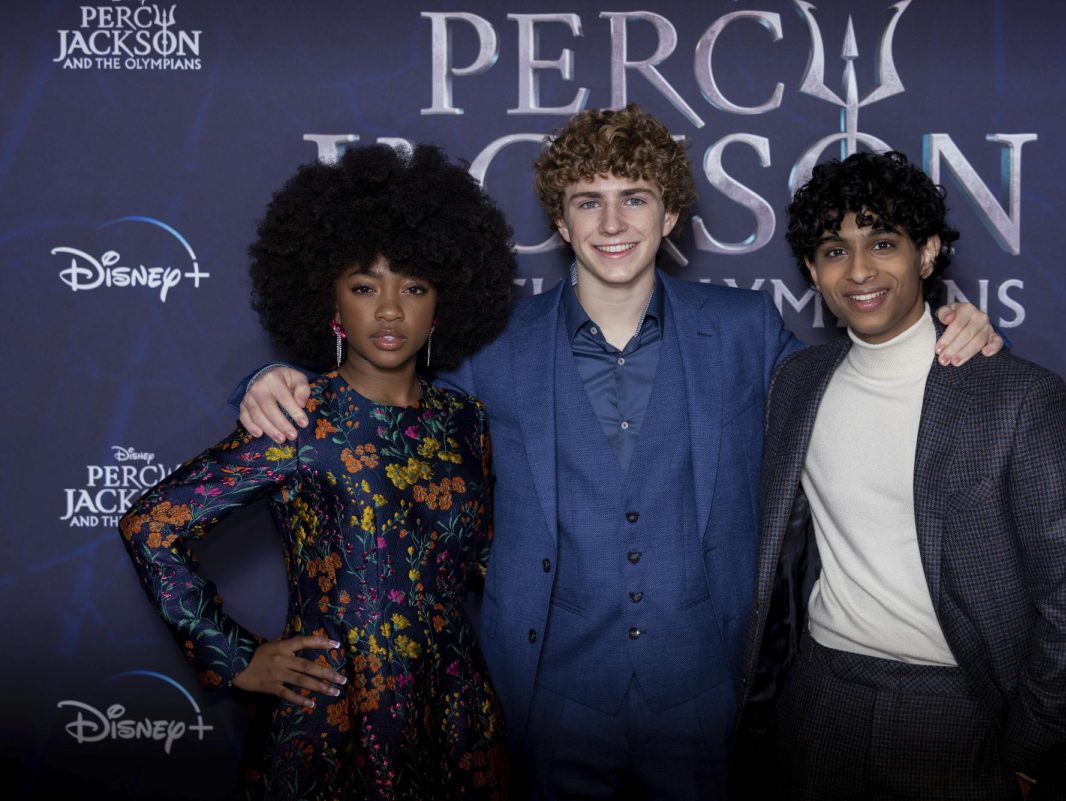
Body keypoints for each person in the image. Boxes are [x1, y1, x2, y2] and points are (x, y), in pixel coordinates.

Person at [238, 106, 1002, 800]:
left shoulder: (743, 329)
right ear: (562, 224)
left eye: (634, 198)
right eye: (587, 201)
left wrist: (943, 328)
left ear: (669, 214)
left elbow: (850, 387)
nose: (612, 222)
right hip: (545, 695)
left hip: (707, 699)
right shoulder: (492, 346)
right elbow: (380, 390)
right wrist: (275, 379)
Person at [119, 143, 516, 801]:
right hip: (333, 713)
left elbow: (486, 563)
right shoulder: (303, 416)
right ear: (331, 304)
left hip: (455, 709)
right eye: (365, 287)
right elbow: (150, 527)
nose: (389, 310)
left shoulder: (465, 420)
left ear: (441, 303)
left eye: (413, 286)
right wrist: (238, 656)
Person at [736, 151, 1066, 800]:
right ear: (811, 268)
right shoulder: (796, 383)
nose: (859, 270)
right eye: (833, 250)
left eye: (883, 243)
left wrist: (1029, 752)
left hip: (959, 708)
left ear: (929, 251)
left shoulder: (1017, 395)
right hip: (820, 698)